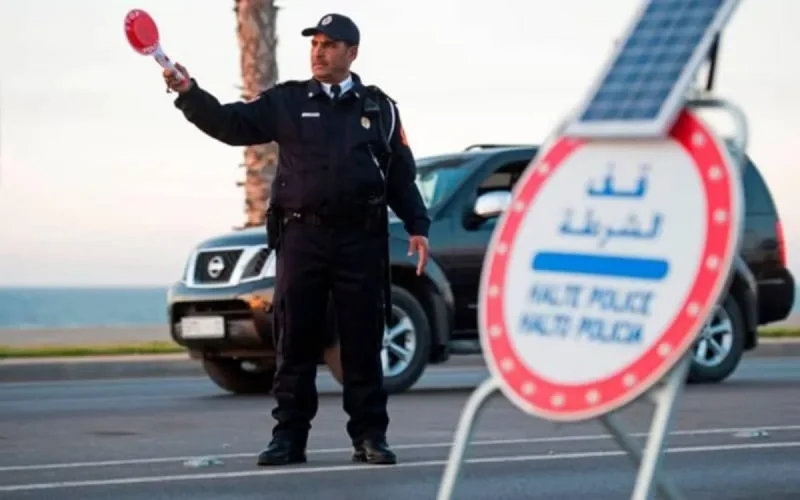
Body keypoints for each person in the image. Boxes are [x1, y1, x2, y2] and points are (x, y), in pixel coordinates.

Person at [163, 13, 430, 467]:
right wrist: (189, 93)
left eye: (330, 44)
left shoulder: (379, 108)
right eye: (314, 44)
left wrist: (418, 225)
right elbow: (230, 124)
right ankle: (288, 438)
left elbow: (400, 174)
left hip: (360, 239)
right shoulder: (287, 101)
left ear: (352, 53)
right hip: (302, 237)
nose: (319, 52)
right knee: (295, 341)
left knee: (362, 341)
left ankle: (370, 437)